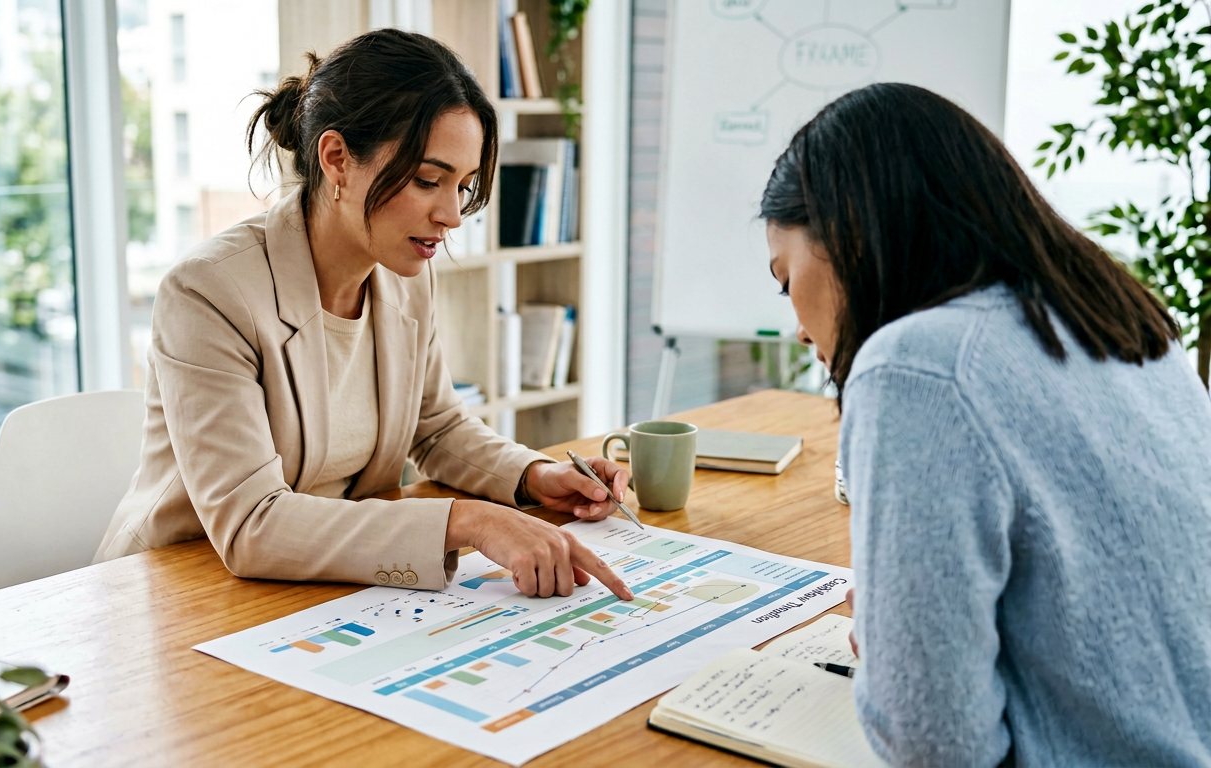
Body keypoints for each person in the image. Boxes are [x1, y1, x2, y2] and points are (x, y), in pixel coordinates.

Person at [93, 29, 634, 603]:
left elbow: (438, 427)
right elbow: (251, 523)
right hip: (182, 590)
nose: (451, 214)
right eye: (429, 180)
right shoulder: (208, 292)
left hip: (318, 585)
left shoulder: (404, 275)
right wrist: (468, 521)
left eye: (464, 186)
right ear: (336, 159)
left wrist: (536, 477)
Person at [760, 82, 1211, 767]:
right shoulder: (1124, 320)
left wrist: (892, 659)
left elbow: (935, 746)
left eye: (783, 277)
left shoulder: (914, 367)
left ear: (850, 232)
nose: (796, 325)